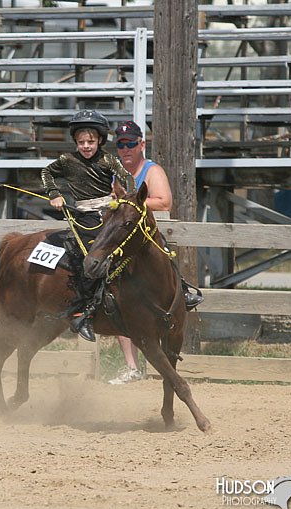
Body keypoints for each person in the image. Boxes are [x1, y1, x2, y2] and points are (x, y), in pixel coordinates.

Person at [108, 120, 203, 384]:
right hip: (126, 244)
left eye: (129, 144)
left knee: (166, 282)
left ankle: (181, 294)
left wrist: (130, 204)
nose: (125, 149)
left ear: (141, 144)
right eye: (120, 145)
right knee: (114, 292)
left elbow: (164, 201)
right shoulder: (116, 174)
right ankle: (131, 365)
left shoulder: (151, 171)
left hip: (151, 243)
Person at [40, 109, 134, 343]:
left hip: (107, 214)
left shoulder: (109, 160)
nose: (86, 146)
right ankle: (84, 312)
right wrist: (54, 194)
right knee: (90, 259)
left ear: (100, 140)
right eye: (81, 142)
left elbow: (128, 178)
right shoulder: (67, 161)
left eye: (91, 141)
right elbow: (46, 173)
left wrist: (123, 197)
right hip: (83, 216)